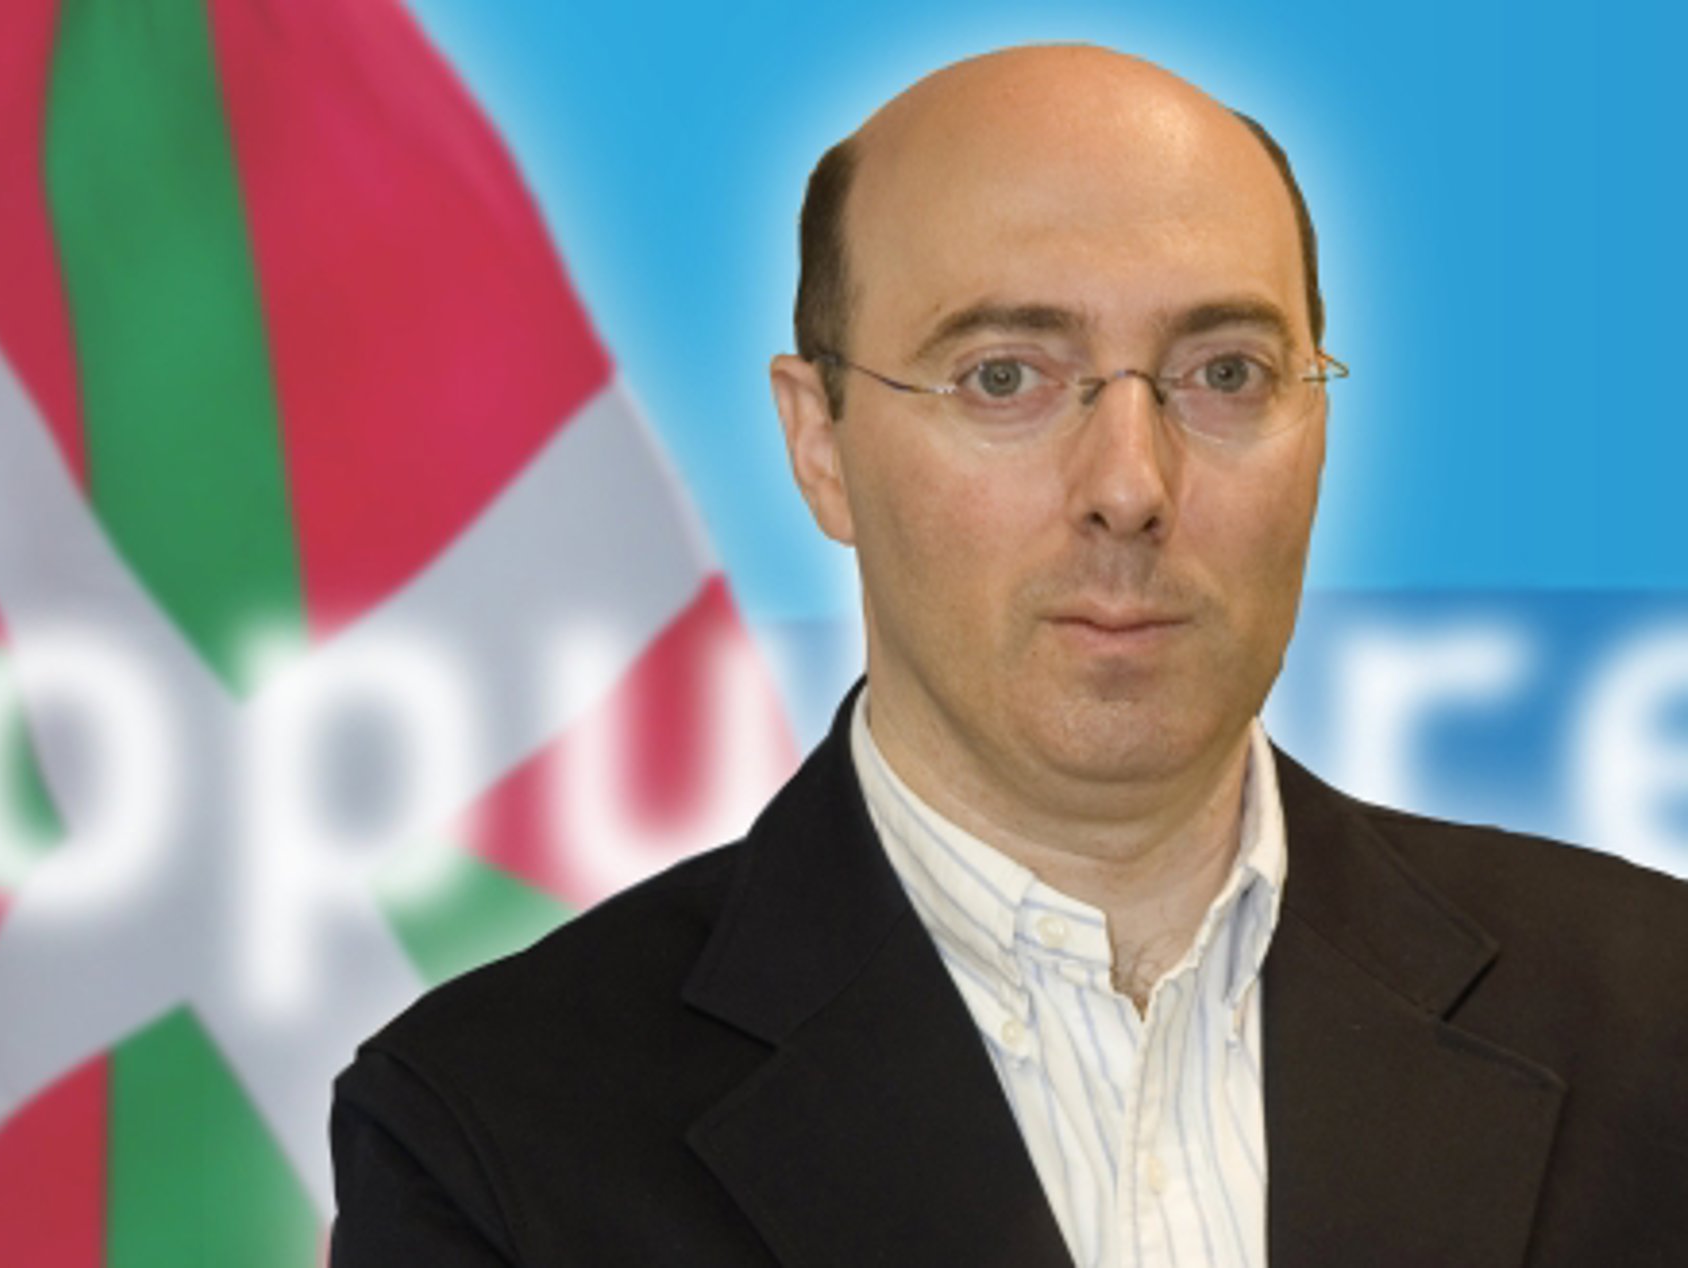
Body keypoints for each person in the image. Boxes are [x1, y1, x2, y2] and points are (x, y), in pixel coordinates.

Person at [328, 45, 1688, 1267]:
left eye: (1224, 372)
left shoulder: (1653, 1016)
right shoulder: (492, 1133)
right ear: (821, 444)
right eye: (1003, 376)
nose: (1130, 486)